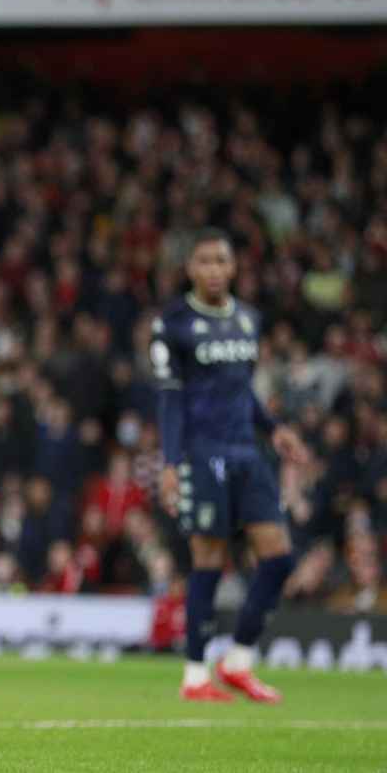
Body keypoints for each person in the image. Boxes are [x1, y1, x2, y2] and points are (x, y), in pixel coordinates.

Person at [152, 228, 308, 703]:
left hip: (247, 450)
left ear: (234, 266)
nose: (214, 270)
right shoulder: (174, 323)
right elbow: (170, 400)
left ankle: (237, 660)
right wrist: (171, 463)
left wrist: (274, 427)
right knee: (209, 560)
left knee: (279, 557)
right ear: (190, 269)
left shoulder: (248, 319)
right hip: (203, 453)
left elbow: (241, 388)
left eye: (222, 260)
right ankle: (196, 675)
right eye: (204, 262)